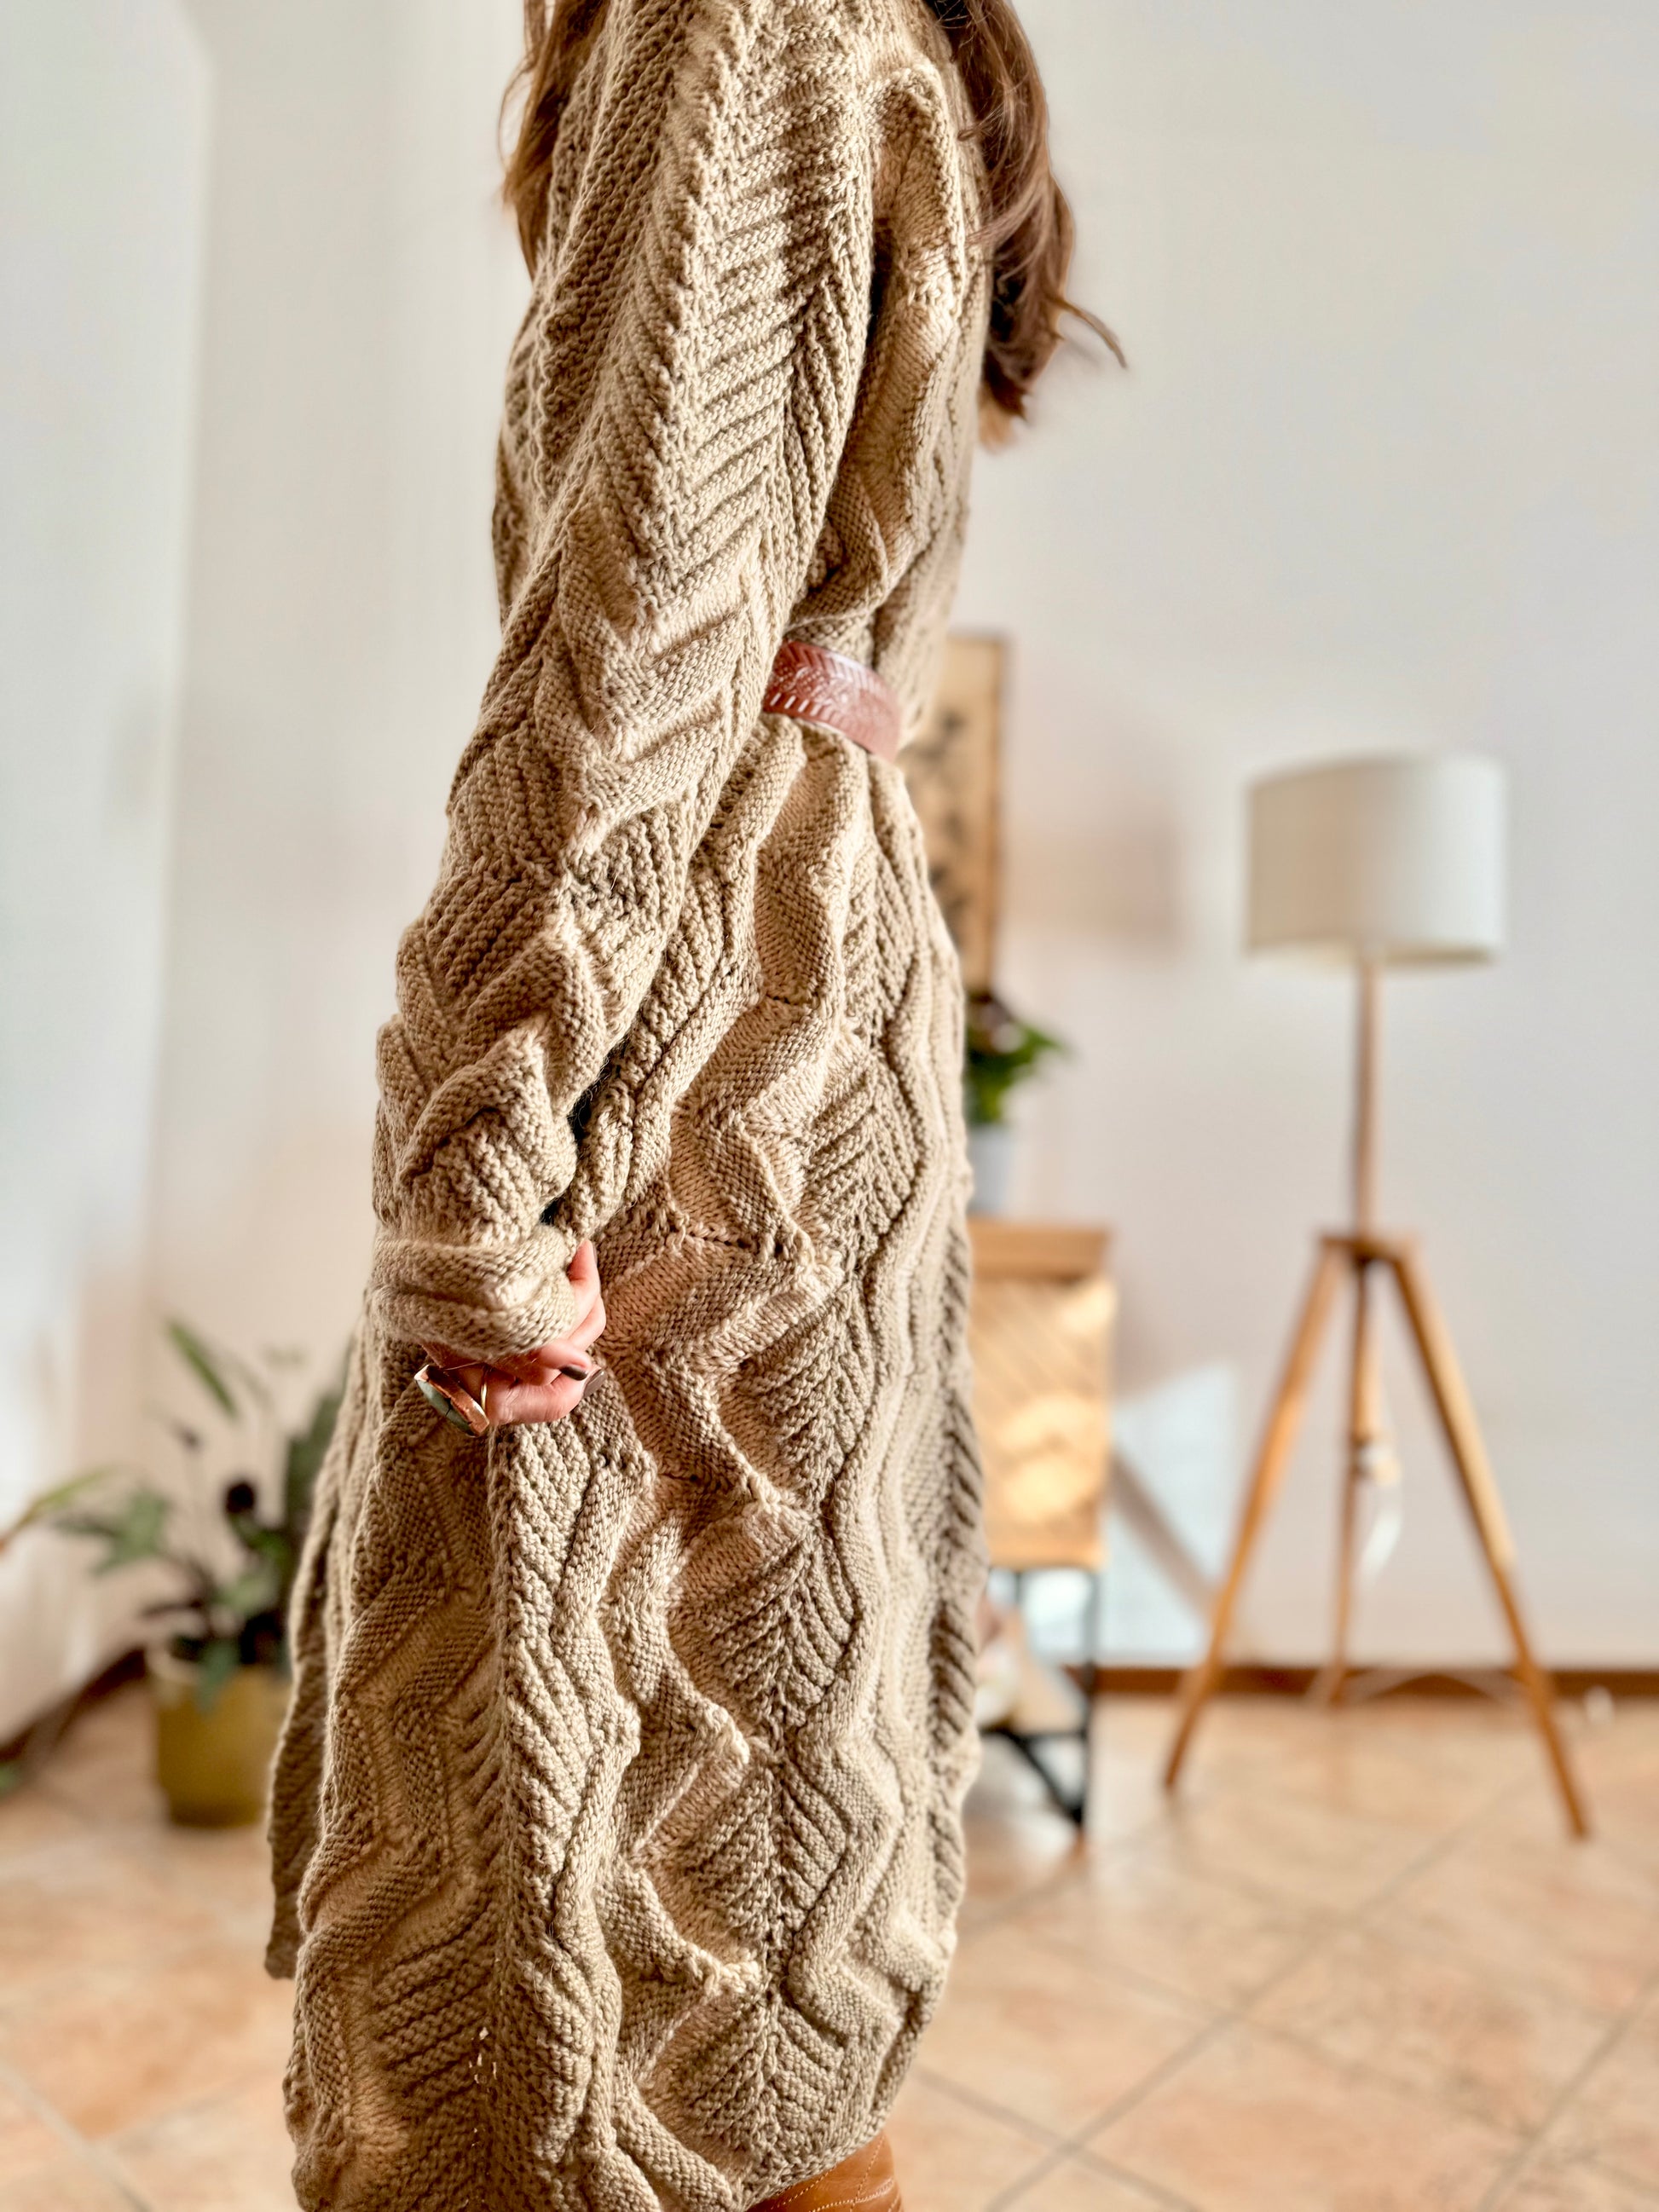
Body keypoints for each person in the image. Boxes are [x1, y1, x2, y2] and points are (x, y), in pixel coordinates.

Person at [266, 2, 1102, 2204]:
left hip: (688, 1051)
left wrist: (474, 1158)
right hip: (814, 1017)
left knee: (544, 1979)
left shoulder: (736, 18)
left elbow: (637, 632)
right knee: (752, 1924)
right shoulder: (867, 44)